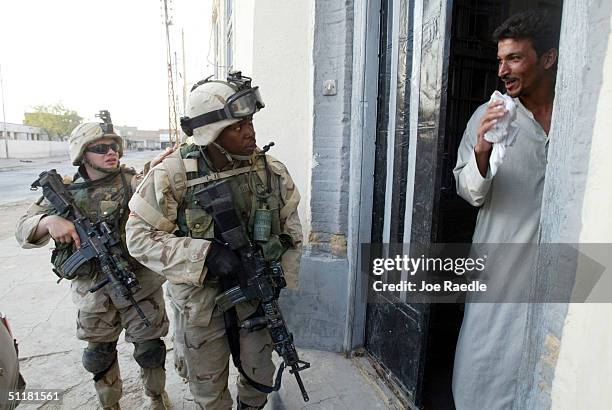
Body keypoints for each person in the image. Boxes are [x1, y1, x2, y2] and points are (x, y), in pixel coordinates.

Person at [125, 73, 303, 409]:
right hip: (201, 305)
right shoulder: (173, 173)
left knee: (259, 379)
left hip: (255, 297)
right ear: (211, 133)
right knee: (209, 390)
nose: (249, 131)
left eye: (249, 120)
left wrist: (279, 281)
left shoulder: (268, 170)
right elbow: (139, 237)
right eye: (237, 126)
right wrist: (203, 255)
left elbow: (291, 230)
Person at [15, 116, 172, 410]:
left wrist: (162, 169)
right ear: (82, 154)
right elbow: (22, 230)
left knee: (151, 350)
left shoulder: (131, 181)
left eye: (114, 146)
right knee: (99, 355)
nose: (111, 152)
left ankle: (156, 397)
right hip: (94, 294)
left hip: (138, 286)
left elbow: (158, 189)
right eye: (100, 148)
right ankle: (109, 404)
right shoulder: (64, 191)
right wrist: (48, 221)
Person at [451, 10, 560, 410]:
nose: (502, 70)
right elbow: (468, 191)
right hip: (500, 265)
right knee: (484, 360)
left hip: (558, 267)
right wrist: (482, 149)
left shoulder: (575, 119)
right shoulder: (489, 117)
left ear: (547, 58)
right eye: (500, 60)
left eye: (513, 58)